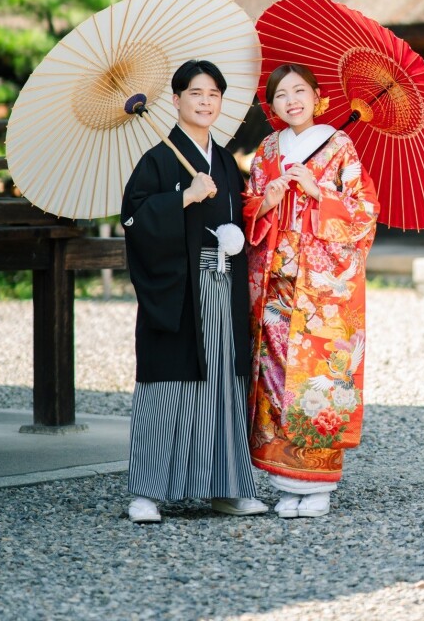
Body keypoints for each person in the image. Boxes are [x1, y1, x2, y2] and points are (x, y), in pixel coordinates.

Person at [121, 58, 267, 523]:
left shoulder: (223, 159)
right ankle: (147, 492)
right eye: (196, 93)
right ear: (177, 98)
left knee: (224, 382)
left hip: (222, 283)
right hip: (179, 288)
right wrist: (181, 197)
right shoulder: (158, 159)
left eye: (214, 95)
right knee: (168, 384)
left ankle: (226, 487)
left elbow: (239, 212)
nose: (206, 102)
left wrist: (239, 231)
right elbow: (134, 219)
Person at [243, 63, 379, 519]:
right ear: (273, 105)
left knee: (318, 376)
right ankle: (285, 480)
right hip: (275, 281)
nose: (291, 100)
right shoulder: (265, 150)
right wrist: (268, 200)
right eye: (281, 95)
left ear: (318, 96)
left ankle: (317, 485)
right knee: (276, 374)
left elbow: (364, 213)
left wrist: (318, 192)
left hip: (322, 286)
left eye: (299, 91)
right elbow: (248, 207)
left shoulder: (339, 144)